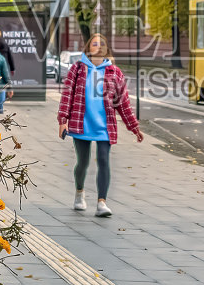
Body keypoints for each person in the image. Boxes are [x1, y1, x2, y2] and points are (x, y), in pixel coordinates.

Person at [57, 32, 142, 217]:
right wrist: (63, 121)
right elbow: (67, 96)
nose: (98, 46)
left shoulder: (114, 72)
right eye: (94, 43)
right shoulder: (77, 69)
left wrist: (134, 127)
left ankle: (101, 202)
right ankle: (79, 193)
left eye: (101, 43)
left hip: (105, 126)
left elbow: (123, 103)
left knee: (104, 160)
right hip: (81, 124)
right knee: (83, 162)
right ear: (88, 48)